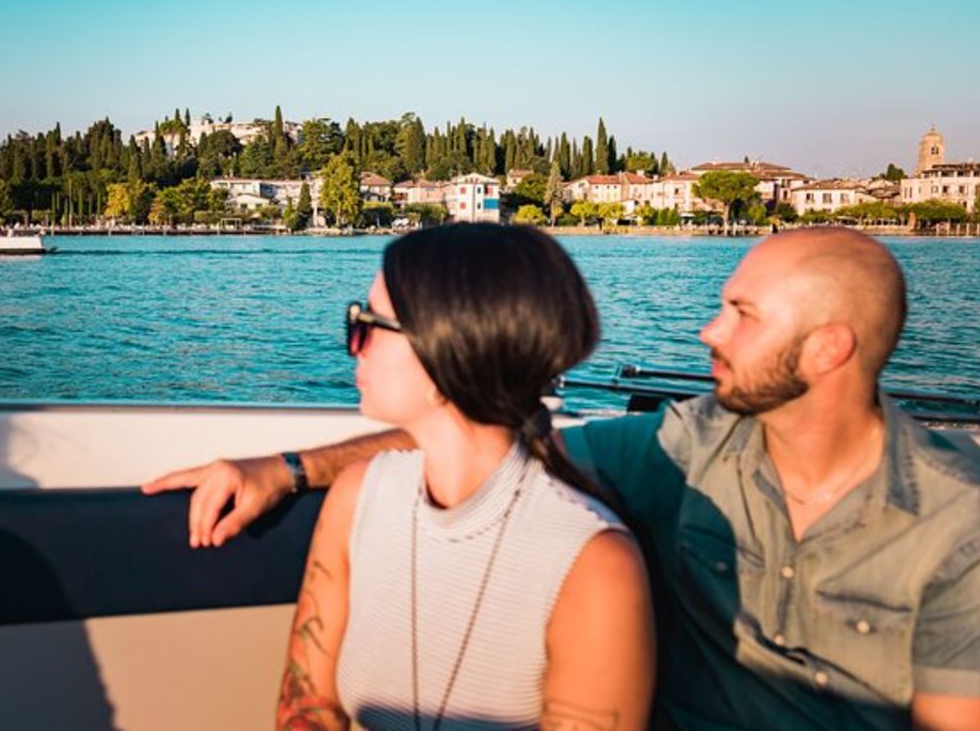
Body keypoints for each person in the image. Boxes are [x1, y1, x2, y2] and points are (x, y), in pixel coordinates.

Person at [145, 227, 980, 729]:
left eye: (742, 314)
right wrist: (293, 469)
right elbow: (502, 436)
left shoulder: (958, 520)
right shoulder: (682, 445)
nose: (705, 329)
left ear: (829, 347)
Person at [265, 223, 654, 729]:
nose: (353, 344)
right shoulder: (359, 495)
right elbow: (307, 707)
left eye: (366, 323)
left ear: (444, 351)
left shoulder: (594, 564)